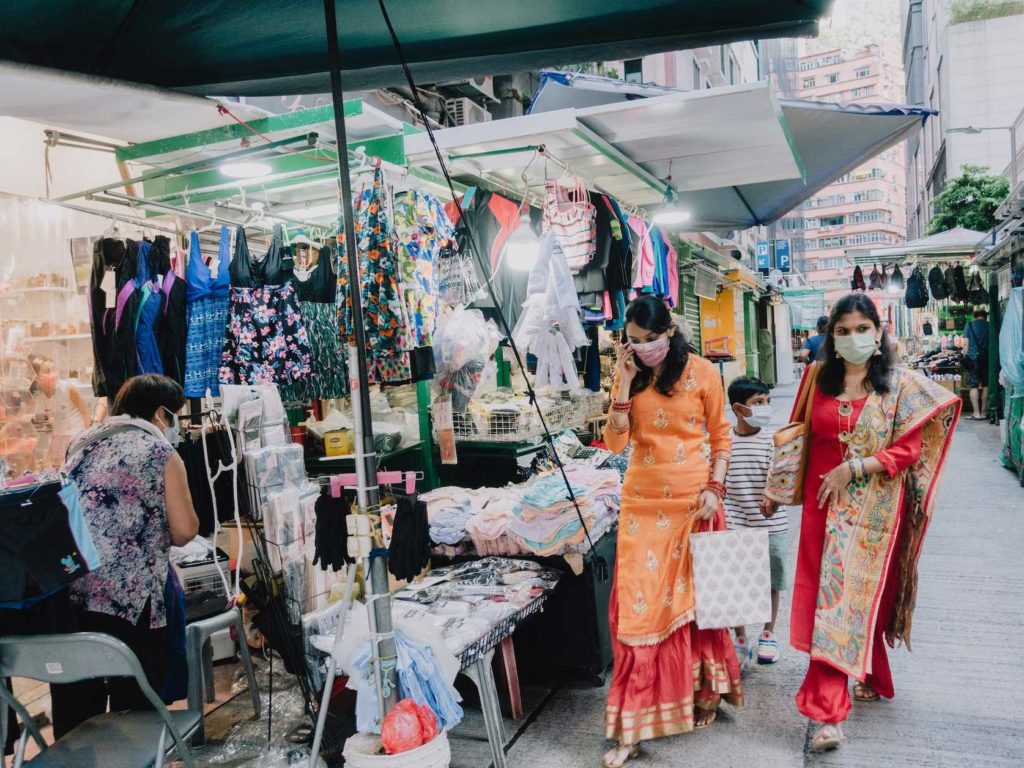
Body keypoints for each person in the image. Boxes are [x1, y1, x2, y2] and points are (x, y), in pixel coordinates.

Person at [789, 294, 960, 751]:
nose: (852, 338)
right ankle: (850, 693)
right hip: (820, 508)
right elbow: (796, 438)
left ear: (879, 333)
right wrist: (773, 490)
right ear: (831, 337)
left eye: (862, 328)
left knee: (853, 599)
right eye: (842, 331)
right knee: (833, 601)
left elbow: (909, 450)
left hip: (876, 511)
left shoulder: (901, 386)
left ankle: (831, 708)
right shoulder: (815, 381)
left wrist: (857, 467)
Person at [602, 295, 742, 768]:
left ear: (671, 331)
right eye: (634, 341)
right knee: (638, 615)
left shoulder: (703, 372)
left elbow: (721, 436)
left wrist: (716, 488)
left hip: (694, 503)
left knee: (699, 608)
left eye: (651, 340)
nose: (643, 349)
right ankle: (632, 724)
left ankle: (706, 693)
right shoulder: (629, 373)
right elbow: (615, 440)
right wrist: (622, 381)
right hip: (642, 506)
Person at [52, 374, 199, 735]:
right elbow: (184, 530)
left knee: (80, 703)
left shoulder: (80, 442)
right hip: (131, 600)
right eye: (173, 414)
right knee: (136, 702)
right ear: (160, 413)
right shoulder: (160, 451)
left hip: (74, 590)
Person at [723, 376, 787, 667]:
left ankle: (768, 634)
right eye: (757, 403)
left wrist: (776, 496)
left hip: (771, 524)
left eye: (767, 402)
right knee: (734, 581)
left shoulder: (774, 441)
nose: (765, 408)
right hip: (735, 522)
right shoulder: (724, 441)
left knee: (771, 581)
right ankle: (739, 637)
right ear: (738, 409)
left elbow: (784, 479)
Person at [29, 355, 92, 466]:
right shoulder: (37, 395)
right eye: (47, 371)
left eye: (54, 370)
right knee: (57, 469)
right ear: (36, 377)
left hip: (75, 434)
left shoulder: (68, 388)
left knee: (74, 466)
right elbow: (43, 426)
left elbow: (85, 411)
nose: (53, 374)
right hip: (57, 437)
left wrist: (87, 436)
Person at [964, 307, 990, 420]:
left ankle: (976, 413)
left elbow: (966, 343)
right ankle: (984, 413)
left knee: (973, 386)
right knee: (986, 385)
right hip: (987, 358)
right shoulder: (989, 325)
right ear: (985, 316)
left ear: (975, 316)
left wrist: (965, 356)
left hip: (973, 359)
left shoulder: (969, 325)